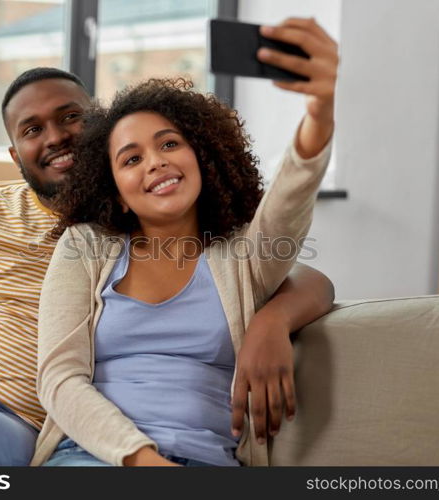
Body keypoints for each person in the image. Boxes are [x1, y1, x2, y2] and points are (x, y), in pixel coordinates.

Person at [0, 19, 335, 467]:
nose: (55, 137)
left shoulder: (160, 233)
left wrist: (273, 318)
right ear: (15, 152)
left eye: (71, 117)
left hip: (15, 421)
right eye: (31, 129)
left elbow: (283, 247)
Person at [32, 18, 338, 467]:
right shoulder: (86, 247)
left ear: (202, 159)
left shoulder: (241, 257)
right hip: (93, 457)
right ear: (115, 191)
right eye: (132, 158)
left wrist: (319, 111)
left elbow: (289, 204)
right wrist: (142, 460)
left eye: (169, 144)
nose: (155, 163)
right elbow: (59, 379)